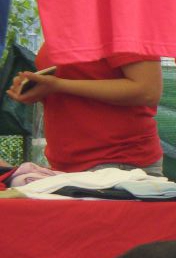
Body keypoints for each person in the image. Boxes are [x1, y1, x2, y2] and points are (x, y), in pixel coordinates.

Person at [6, 45, 164, 174]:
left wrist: (59, 85)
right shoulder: (62, 28)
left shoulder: (124, 22)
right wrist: (37, 89)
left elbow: (148, 90)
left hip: (117, 164)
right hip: (65, 167)